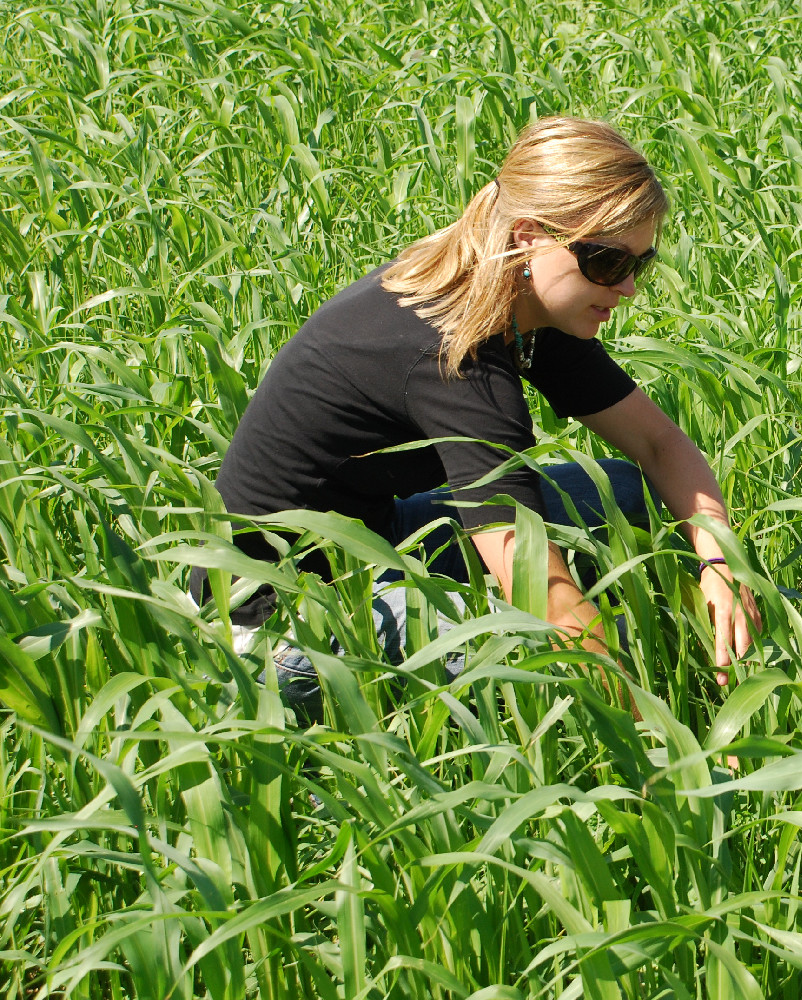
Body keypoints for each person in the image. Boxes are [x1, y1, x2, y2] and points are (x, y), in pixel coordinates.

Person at [193, 116, 761, 721]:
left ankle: (721, 639)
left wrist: (721, 562)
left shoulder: (521, 300)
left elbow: (657, 444)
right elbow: (537, 588)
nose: (625, 289)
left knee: (632, 491)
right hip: (280, 619)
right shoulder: (454, 353)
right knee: (531, 658)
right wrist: (669, 734)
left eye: (638, 266)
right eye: (605, 263)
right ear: (526, 236)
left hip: (376, 537)